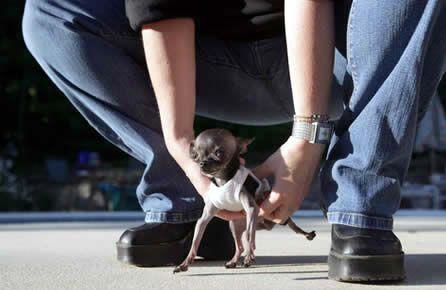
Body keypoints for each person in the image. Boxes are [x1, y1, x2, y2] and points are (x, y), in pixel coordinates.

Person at [22, 0, 446, 282]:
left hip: (343, 57)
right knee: (51, 13)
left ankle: (361, 206)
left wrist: (307, 134)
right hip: (210, 61)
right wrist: (183, 149)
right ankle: (183, 207)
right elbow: (160, 7)